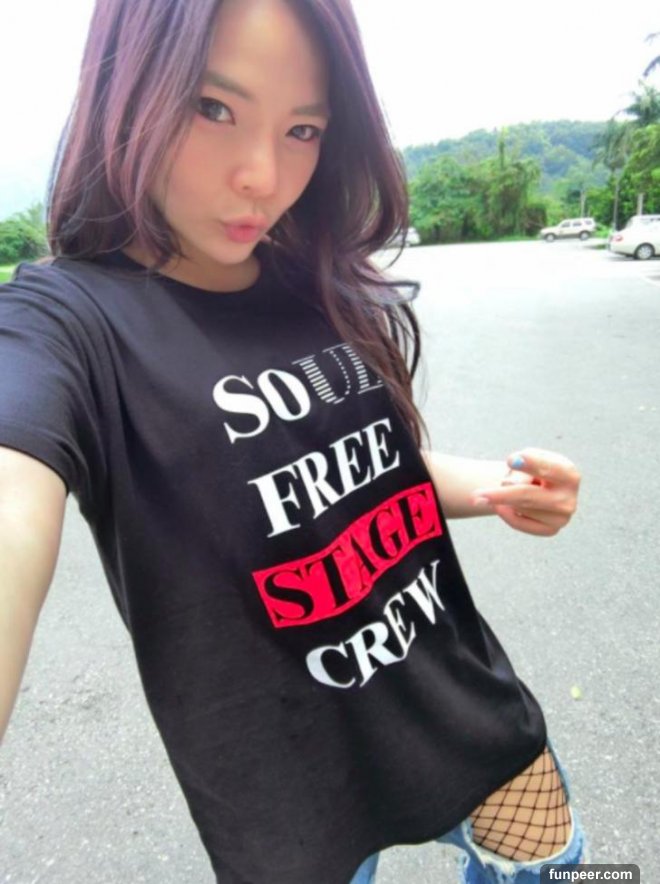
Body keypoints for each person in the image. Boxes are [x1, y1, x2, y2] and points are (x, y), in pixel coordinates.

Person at [0, 0, 587, 882]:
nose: (262, 177)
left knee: (573, 868)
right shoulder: (69, 322)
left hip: (457, 704)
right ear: (126, 91)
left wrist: (501, 483)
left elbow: (361, 467)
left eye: (303, 129)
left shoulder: (311, 280)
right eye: (213, 107)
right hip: (295, 782)